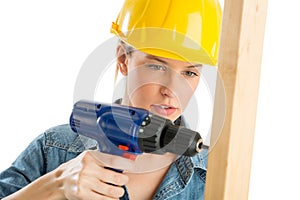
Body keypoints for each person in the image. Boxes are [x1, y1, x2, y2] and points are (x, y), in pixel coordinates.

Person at [0, 0, 222, 199]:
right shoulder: (54, 149)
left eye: (189, 73)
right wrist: (55, 185)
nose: (172, 90)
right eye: (157, 66)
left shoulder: (216, 178)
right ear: (123, 60)